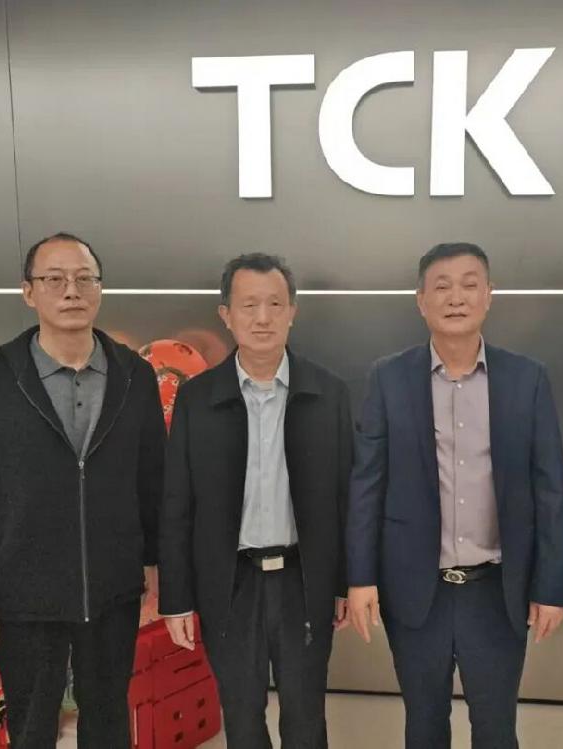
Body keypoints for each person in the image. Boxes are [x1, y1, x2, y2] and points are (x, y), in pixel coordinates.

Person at [0, 232, 165, 748]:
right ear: (28, 292)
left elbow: (153, 478)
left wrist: (155, 559)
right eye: (54, 279)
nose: (71, 291)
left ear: (100, 289)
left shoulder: (135, 376)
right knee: (32, 723)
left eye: (85, 278)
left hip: (111, 585)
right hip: (22, 590)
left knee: (108, 718)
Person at [346, 242, 563, 748]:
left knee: (496, 727)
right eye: (442, 286)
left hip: (497, 590)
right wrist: (360, 578)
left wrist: (552, 586)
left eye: (470, 285)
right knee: (423, 724)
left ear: (488, 295)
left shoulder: (527, 378)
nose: (456, 297)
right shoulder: (389, 377)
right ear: (420, 300)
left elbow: (551, 489)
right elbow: (367, 484)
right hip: (414, 588)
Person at [158, 253, 353, 749]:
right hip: (230, 585)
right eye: (249, 305)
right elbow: (177, 504)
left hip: (302, 581)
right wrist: (176, 598)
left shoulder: (328, 393)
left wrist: (344, 582)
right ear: (226, 315)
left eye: (275, 304)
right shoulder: (198, 399)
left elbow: (345, 498)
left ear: (293, 312)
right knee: (242, 719)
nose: (262, 317)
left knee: (306, 717)